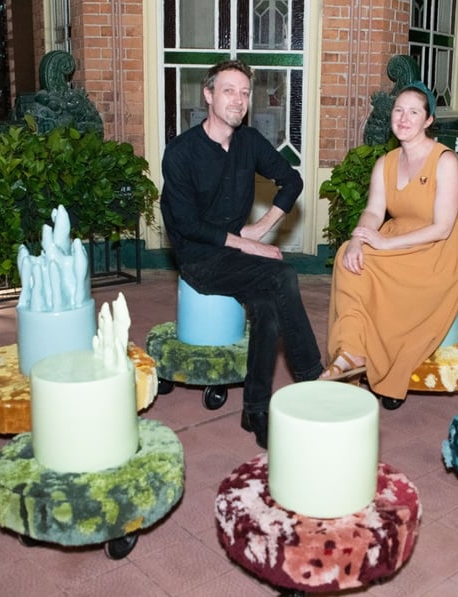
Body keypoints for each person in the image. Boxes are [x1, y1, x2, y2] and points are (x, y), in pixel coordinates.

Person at [160, 60, 323, 448]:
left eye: (245, 92)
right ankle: (314, 380)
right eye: (229, 90)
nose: (238, 100)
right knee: (282, 275)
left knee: (268, 306)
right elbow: (187, 225)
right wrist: (246, 242)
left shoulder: (249, 142)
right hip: (199, 259)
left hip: (234, 255)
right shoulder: (181, 153)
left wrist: (261, 227)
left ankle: (256, 410)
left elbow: (292, 180)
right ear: (209, 95)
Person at [319, 81, 458, 401]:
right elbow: (374, 211)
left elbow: (443, 228)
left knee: (375, 265)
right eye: (398, 110)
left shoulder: (445, 161)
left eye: (414, 112)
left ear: (428, 120)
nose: (404, 118)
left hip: (440, 247)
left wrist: (385, 244)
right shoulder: (386, 163)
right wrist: (358, 240)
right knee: (349, 258)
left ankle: (376, 353)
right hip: (399, 234)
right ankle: (351, 351)